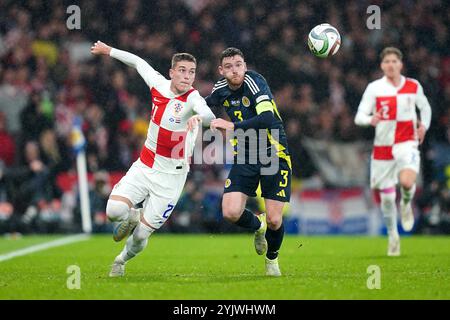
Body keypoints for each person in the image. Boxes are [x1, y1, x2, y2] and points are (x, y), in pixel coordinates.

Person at [90, 41, 215, 276]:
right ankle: (131, 215)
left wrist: (200, 119)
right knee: (113, 212)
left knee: (140, 236)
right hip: (146, 165)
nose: (187, 76)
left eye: (191, 72)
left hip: (172, 178)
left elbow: (208, 114)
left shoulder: (193, 98)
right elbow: (138, 62)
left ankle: (121, 260)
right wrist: (109, 51)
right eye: (182, 70)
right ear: (171, 72)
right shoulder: (158, 84)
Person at [206, 48, 292, 276]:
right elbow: (204, 107)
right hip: (245, 154)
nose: (235, 70)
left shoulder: (255, 82)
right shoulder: (220, 89)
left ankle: (272, 259)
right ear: (221, 70)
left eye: (239, 64)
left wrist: (231, 126)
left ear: (245, 65)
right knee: (231, 212)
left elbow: (267, 118)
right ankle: (257, 226)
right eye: (229, 66)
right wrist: (194, 116)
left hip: (274, 152)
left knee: (275, 219)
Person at [355, 47, 432, 256]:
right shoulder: (374, 88)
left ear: (401, 64)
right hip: (382, 148)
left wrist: (423, 125)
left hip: (407, 142)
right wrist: (370, 119)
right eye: (387, 61)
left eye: (394, 61)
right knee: (387, 199)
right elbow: (359, 116)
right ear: (382, 65)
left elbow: (425, 108)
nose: (390, 64)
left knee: (407, 182)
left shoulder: (412, 86)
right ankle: (392, 235)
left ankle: (406, 204)